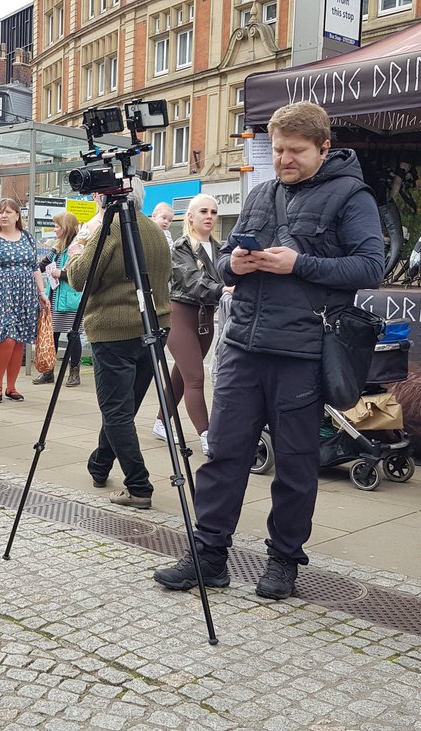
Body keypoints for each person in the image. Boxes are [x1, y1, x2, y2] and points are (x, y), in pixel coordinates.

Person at [154, 101, 384, 598]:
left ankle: (283, 561)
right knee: (223, 454)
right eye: (278, 149)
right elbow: (224, 271)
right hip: (242, 345)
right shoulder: (260, 193)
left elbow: (370, 267)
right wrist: (234, 263)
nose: (284, 159)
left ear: (323, 147)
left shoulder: (352, 195)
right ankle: (209, 554)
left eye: (295, 151)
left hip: (301, 350)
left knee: (297, 463)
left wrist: (298, 264)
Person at [64, 177, 171, 510]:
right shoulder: (155, 230)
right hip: (155, 327)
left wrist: (75, 253)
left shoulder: (109, 229)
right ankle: (100, 463)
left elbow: (80, 278)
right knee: (123, 410)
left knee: (116, 413)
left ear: (104, 198)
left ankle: (138, 485)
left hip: (115, 331)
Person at [152, 193, 225, 456]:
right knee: (195, 377)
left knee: (182, 375)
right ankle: (207, 435)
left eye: (214, 212)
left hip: (206, 318)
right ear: (190, 216)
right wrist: (223, 290)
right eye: (203, 211)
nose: (209, 216)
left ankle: (161, 422)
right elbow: (192, 279)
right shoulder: (181, 247)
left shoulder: (219, 248)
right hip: (181, 315)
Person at [0, 197, 46, 406]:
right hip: (2, 292)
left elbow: (34, 267)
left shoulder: (27, 237)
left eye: (8, 212)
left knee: (20, 338)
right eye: (1, 212)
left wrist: (42, 292)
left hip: (25, 293)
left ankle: (12, 386)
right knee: (6, 337)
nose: (4, 215)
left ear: (17, 216)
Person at [32, 212, 84, 387]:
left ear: (66, 228)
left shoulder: (78, 247)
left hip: (70, 300)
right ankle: (48, 371)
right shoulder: (57, 248)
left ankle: (74, 372)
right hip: (54, 298)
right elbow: (41, 265)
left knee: (73, 336)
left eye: (57, 226)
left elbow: (81, 274)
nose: (55, 230)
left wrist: (60, 274)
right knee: (51, 336)